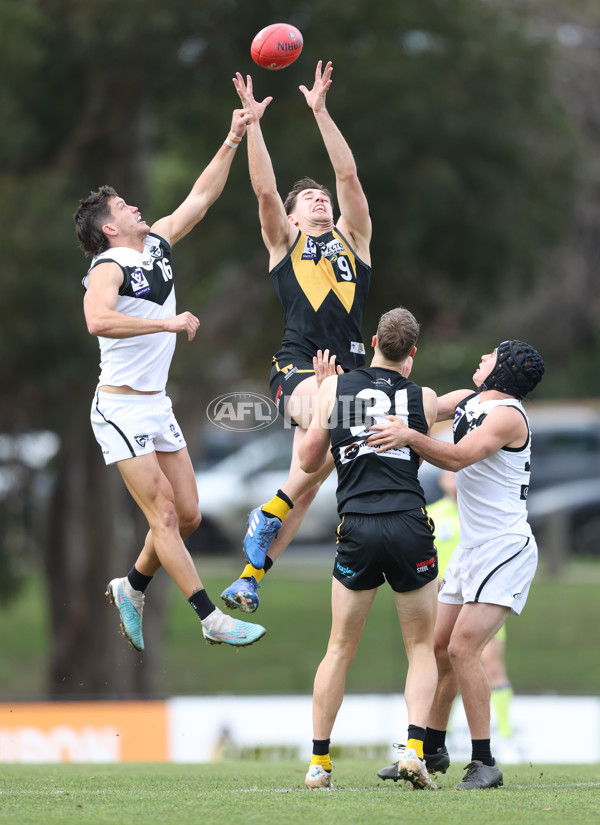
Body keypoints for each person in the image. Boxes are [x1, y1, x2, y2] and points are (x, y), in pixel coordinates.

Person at [74, 105, 266, 651]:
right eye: (123, 206)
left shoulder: (154, 244)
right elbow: (96, 319)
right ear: (110, 228)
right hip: (119, 408)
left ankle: (131, 585)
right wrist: (167, 321)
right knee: (160, 513)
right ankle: (210, 617)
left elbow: (200, 199)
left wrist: (233, 135)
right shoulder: (107, 268)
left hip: (155, 405)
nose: (137, 207)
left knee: (186, 516)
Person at [220, 60, 372, 614]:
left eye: (321, 197)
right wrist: (253, 127)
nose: (320, 199)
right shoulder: (285, 244)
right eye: (307, 199)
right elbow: (264, 190)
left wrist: (322, 112)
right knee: (337, 421)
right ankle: (274, 506)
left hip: (350, 375)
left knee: (306, 489)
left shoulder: (355, 240)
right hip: (301, 367)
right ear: (290, 216)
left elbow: (349, 178)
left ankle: (249, 577)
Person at [372, 340, 544, 789]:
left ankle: (485, 762)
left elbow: (457, 456)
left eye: (490, 355)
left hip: (505, 547)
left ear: (501, 370)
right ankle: (430, 749)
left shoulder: (507, 414)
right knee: (439, 648)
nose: (481, 358)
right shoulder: (469, 400)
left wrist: (409, 436)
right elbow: (420, 406)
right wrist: (356, 388)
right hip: (473, 549)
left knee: (463, 649)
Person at [298, 307, 439, 790]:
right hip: (408, 523)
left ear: (373, 339)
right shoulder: (426, 397)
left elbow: (308, 458)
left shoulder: (336, 388)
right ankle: (415, 750)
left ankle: (320, 763)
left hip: (356, 524)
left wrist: (322, 394)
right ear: (412, 353)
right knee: (420, 646)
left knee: (339, 648)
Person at [430, 471, 515, 746]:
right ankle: (445, 734)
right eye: (449, 473)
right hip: (444, 601)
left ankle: (504, 735)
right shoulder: (430, 515)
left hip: (481, 599)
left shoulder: (482, 515)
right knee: (445, 660)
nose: (454, 478)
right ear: (441, 481)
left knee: (490, 663)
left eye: (459, 472)